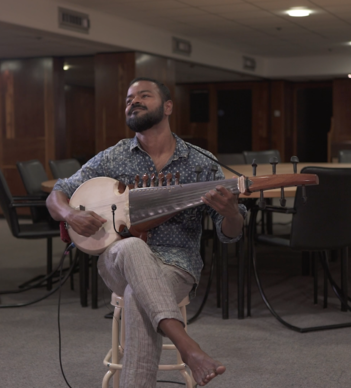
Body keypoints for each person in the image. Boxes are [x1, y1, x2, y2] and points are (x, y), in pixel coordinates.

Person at [46, 77, 246, 387]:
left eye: (144, 95)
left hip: (177, 266)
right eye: (128, 98)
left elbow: (229, 233)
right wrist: (71, 214)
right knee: (131, 248)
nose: (133, 101)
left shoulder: (199, 161)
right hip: (116, 261)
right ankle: (188, 348)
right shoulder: (115, 156)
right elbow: (58, 192)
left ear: (167, 107)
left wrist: (231, 212)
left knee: (137, 298)